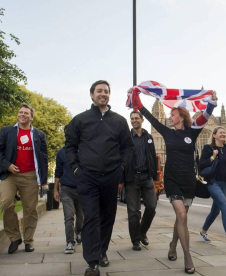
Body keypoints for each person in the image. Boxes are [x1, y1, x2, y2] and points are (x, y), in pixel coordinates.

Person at [129, 88, 217, 274]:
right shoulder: (167, 133)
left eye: (173, 114)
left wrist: (211, 103)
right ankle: (188, 256)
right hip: (172, 179)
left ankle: (173, 245)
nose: (169, 117)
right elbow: (150, 117)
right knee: (182, 216)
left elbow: (206, 117)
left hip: (188, 180)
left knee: (181, 217)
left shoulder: (192, 133)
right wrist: (137, 99)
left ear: (181, 118)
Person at [65, 80, 134, 276]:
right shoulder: (80, 120)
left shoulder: (120, 121)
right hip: (87, 177)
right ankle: (92, 261)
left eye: (106, 91)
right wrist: (76, 168)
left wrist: (121, 168)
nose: (102, 94)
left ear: (109, 95)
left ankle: (102, 250)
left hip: (111, 176)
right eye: (99, 91)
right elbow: (70, 145)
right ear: (92, 95)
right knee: (91, 218)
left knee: (107, 218)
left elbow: (128, 147)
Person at [0, 103, 48, 254]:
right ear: (18, 115)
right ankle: (14, 238)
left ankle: (28, 240)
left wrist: (43, 178)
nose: (23, 114)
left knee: (30, 209)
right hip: (10, 175)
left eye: (26, 113)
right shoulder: (7, 131)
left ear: (31, 117)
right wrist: (7, 165)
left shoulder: (39, 135)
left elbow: (43, 157)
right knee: (6, 204)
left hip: (30, 175)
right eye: (20, 112)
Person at [121, 111, 158, 251]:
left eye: (137, 118)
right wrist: (121, 179)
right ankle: (135, 240)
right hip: (132, 178)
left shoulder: (148, 137)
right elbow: (121, 158)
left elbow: (153, 157)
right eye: (132, 119)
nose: (134, 120)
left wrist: (154, 176)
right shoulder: (126, 138)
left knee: (152, 207)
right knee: (133, 212)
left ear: (142, 120)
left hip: (147, 177)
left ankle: (142, 231)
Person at [198, 126, 226, 248]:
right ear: (214, 135)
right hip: (213, 183)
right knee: (225, 208)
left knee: (215, 211)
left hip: (225, 182)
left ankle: (203, 232)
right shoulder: (208, 148)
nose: (223, 134)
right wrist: (212, 157)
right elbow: (201, 165)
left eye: (224, 132)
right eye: (220, 132)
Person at [54, 136, 84, 254]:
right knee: (69, 215)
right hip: (66, 189)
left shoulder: (83, 151)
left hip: (82, 189)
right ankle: (70, 242)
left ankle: (78, 232)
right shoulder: (61, 152)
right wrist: (55, 190)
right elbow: (58, 171)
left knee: (81, 217)